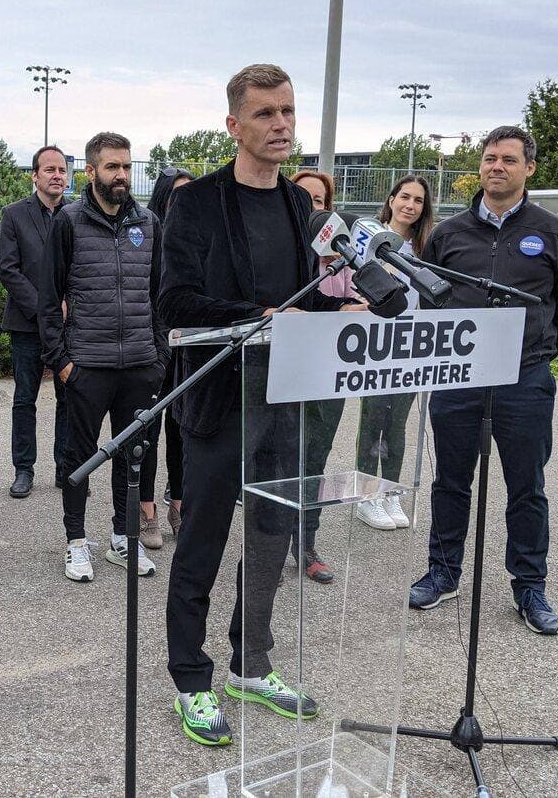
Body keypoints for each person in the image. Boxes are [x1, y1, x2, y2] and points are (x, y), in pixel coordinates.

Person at [160, 65, 360, 746]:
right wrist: (258, 314)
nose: (282, 124)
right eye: (267, 113)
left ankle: (251, 660)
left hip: (288, 393)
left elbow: (311, 293)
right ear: (234, 125)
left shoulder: (298, 208)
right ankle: (191, 677)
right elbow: (175, 302)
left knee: (272, 535)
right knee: (205, 540)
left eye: (289, 112)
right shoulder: (196, 204)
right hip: (223, 395)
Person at [409, 126, 558, 637]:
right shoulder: (448, 234)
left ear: (528, 168)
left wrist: (538, 352)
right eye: (490, 158)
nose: (497, 167)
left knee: (526, 486)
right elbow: (428, 299)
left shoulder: (556, 234)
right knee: (451, 480)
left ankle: (529, 585)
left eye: (508, 160)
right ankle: (443, 573)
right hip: (458, 377)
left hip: (524, 381)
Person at [38, 132, 168, 583]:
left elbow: (158, 295)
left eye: (127, 166)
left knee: (133, 456)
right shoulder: (68, 222)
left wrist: (159, 356)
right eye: (112, 167)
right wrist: (62, 360)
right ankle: (76, 543)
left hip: (139, 363)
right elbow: (48, 295)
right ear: (90, 171)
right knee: (78, 458)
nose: (122, 176)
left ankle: (122, 539)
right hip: (86, 365)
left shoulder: (148, 223)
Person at [285, 168, 361, 585]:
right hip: (284, 371)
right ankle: (268, 548)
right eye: (303, 198)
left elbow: (354, 300)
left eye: (319, 201)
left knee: (314, 460)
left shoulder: (341, 254)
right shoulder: (279, 251)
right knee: (275, 462)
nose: (312, 207)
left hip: (329, 373)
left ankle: (306, 543)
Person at [353, 175, 434, 531]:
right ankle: (366, 494)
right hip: (374, 344)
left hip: (409, 345)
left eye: (418, 200)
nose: (410, 205)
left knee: (398, 421)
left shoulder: (423, 249)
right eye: (405, 197)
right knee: (373, 420)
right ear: (391, 199)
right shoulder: (369, 240)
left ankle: (391, 493)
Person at [0, 146, 71, 498]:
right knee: (25, 399)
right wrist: (45, 310)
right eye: (50, 169)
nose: (57, 175)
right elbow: (7, 270)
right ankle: (23, 470)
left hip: (69, 327)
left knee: (68, 398)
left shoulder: (75, 215)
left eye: (62, 169)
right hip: (28, 325)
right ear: (35, 175)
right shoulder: (13, 215)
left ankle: (65, 468)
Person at [145, 167, 192, 546]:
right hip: (151, 347)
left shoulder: (201, 240)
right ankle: (146, 511)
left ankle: (179, 504)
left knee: (180, 433)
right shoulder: (146, 236)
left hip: (188, 349)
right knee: (147, 431)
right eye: (176, 194)